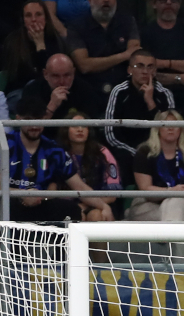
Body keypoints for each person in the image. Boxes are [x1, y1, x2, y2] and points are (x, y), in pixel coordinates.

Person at [6, 95, 107, 223]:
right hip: (9, 202)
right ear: (18, 119)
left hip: (42, 205)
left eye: (38, 120)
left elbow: (80, 186)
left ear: (45, 119)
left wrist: (103, 206)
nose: (34, 125)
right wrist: (21, 194)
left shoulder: (55, 150)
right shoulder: (5, 143)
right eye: (28, 120)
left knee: (72, 210)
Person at [103, 49, 175, 176]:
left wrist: (150, 102)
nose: (145, 71)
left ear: (155, 71)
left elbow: (170, 130)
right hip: (126, 148)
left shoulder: (165, 94)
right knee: (122, 158)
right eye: (140, 66)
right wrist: (135, 152)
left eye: (150, 67)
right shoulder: (119, 92)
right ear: (130, 70)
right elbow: (111, 132)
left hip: (157, 148)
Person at [127, 109, 184, 222]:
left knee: (179, 201)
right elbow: (146, 190)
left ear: (181, 129)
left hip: (182, 203)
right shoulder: (144, 152)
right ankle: (175, 237)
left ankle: (169, 237)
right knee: (177, 205)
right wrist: (173, 191)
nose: (170, 128)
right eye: (165, 124)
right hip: (147, 204)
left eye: (175, 125)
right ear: (157, 129)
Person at [65, 0, 141, 96]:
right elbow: (84, 65)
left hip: (124, 89)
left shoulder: (128, 22)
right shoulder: (76, 27)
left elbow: (134, 56)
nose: (106, 1)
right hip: (91, 91)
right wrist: (123, 56)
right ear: (90, 1)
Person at [57, 112, 122, 221]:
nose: (80, 129)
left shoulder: (102, 153)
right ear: (65, 130)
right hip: (67, 205)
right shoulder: (58, 154)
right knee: (77, 216)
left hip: (100, 204)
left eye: (84, 126)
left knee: (96, 215)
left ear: (89, 130)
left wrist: (87, 204)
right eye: (74, 126)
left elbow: (112, 195)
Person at [140, 0, 184, 100]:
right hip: (156, 93)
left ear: (180, 4)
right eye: (163, 1)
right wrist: (179, 78)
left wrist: (163, 63)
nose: (168, 3)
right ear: (154, 4)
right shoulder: (145, 33)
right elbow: (145, 72)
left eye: (174, 0)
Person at [3, 1, 65, 91]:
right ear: (23, 20)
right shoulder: (13, 41)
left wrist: (40, 45)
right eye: (28, 15)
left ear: (46, 18)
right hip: (20, 91)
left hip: (50, 90)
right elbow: (18, 77)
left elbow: (52, 75)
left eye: (38, 14)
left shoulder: (55, 40)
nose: (34, 19)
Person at [25, 52, 105, 120]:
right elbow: (32, 129)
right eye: (56, 76)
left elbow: (91, 127)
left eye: (67, 75)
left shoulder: (85, 90)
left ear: (73, 73)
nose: (62, 81)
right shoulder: (33, 90)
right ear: (45, 74)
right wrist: (52, 106)